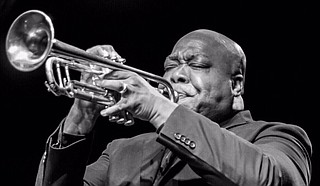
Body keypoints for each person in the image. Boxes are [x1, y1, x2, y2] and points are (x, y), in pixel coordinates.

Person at [35, 29, 312, 186]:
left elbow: (270, 180)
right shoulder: (121, 151)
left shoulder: (277, 136)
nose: (176, 75)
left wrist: (159, 110)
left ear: (236, 85)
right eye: (170, 66)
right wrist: (80, 116)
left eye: (197, 65)